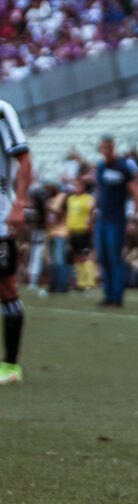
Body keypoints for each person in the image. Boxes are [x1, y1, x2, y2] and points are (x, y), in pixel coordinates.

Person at [0, 98, 32, 385]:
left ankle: (10, 366)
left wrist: (19, 204)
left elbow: (24, 158)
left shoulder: (1, 109)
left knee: (6, 288)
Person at [94, 136, 138, 307]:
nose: (104, 150)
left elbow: (137, 193)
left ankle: (117, 296)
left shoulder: (122, 167)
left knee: (115, 258)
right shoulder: (101, 167)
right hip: (102, 219)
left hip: (116, 220)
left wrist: (134, 218)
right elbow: (99, 191)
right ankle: (108, 294)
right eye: (102, 147)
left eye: (107, 147)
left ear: (112, 147)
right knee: (103, 257)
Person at [65, 177, 97, 290]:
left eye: (78, 185)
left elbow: (91, 212)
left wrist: (90, 223)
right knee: (76, 256)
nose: (76, 188)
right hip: (73, 230)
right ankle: (80, 282)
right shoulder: (71, 199)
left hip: (83, 230)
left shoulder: (88, 198)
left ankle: (89, 282)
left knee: (85, 255)